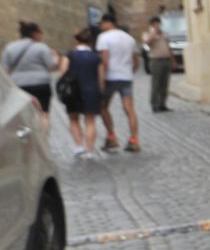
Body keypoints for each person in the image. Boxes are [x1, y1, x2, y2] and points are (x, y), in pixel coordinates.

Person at [0, 21, 65, 127]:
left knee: (22, 114)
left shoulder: (9, 47)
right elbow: (52, 66)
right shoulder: (42, 47)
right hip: (40, 84)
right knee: (43, 113)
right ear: (35, 33)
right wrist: (57, 58)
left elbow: (5, 69)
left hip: (18, 84)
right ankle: (43, 138)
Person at [95, 14, 141, 152]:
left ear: (108, 23)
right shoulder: (129, 38)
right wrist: (130, 71)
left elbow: (105, 61)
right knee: (129, 109)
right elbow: (136, 60)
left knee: (103, 107)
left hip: (110, 77)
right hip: (126, 76)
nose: (100, 26)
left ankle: (111, 137)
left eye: (101, 23)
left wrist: (101, 80)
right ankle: (134, 139)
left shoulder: (103, 38)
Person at [59, 27, 104, 160]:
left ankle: (79, 145)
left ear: (76, 40)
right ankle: (90, 150)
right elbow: (101, 77)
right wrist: (101, 92)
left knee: (73, 119)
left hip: (73, 91)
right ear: (91, 41)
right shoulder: (96, 57)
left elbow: (62, 73)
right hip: (91, 90)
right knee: (90, 121)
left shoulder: (69, 55)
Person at [141, 16, 174, 113]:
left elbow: (169, 47)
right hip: (156, 61)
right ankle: (154, 104)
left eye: (158, 23)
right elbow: (147, 42)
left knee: (165, 84)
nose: (157, 25)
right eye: (155, 23)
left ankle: (163, 104)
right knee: (156, 84)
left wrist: (173, 60)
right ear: (151, 24)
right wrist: (153, 33)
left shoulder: (165, 34)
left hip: (166, 60)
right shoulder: (147, 34)